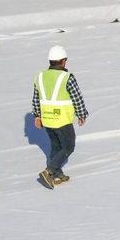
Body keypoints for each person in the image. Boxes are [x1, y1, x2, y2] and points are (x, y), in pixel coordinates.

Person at [32, 44, 87, 189]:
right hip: (62, 120)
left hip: (47, 119)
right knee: (68, 147)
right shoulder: (67, 77)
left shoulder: (41, 76)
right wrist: (81, 114)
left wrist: (37, 116)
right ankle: (49, 171)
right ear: (63, 61)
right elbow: (77, 97)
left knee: (56, 147)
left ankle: (58, 174)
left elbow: (36, 98)